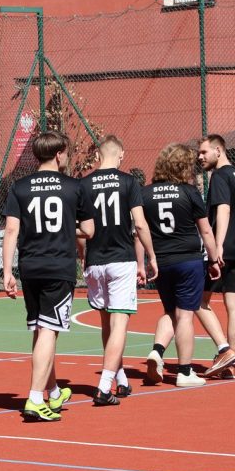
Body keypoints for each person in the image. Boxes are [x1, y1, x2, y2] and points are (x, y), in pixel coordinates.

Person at [2, 131, 95, 421]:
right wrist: (67, 226)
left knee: (41, 328)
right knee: (49, 330)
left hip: (30, 266)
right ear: (58, 154)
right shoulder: (74, 186)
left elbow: (12, 230)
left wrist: (6, 271)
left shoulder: (19, 187)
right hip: (58, 266)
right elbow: (89, 230)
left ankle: (53, 391)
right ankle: (34, 398)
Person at [79, 135, 157, 405]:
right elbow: (140, 224)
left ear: (97, 156)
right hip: (121, 259)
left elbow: (81, 229)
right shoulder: (128, 182)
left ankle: (120, 379)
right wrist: (150, 257)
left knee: (107, 323)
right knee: (119, 323)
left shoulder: (83, 184)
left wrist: (83, 256)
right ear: (121, 154)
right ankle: (103, 387)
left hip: (95, 260)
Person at [141, 143, 222, 387]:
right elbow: (205, 230)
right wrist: (214, 259)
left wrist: (144, 260)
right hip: (188, 260)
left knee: (170, 311)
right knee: (185, 315)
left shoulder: (145, 194)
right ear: (183, 166)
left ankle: (157, 350)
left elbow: (140, 230)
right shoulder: (189, 192)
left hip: (161, 261)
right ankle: (185, 371)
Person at [197, 134, 235, 377]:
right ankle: (231, 364)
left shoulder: (220, 175)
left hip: (224, 248)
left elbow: (224, 210)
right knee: (234, 305)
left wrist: (217, 246)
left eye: (204, 152)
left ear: (218, 151)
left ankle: (225, 351)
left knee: (198, 300)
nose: (200, 157)